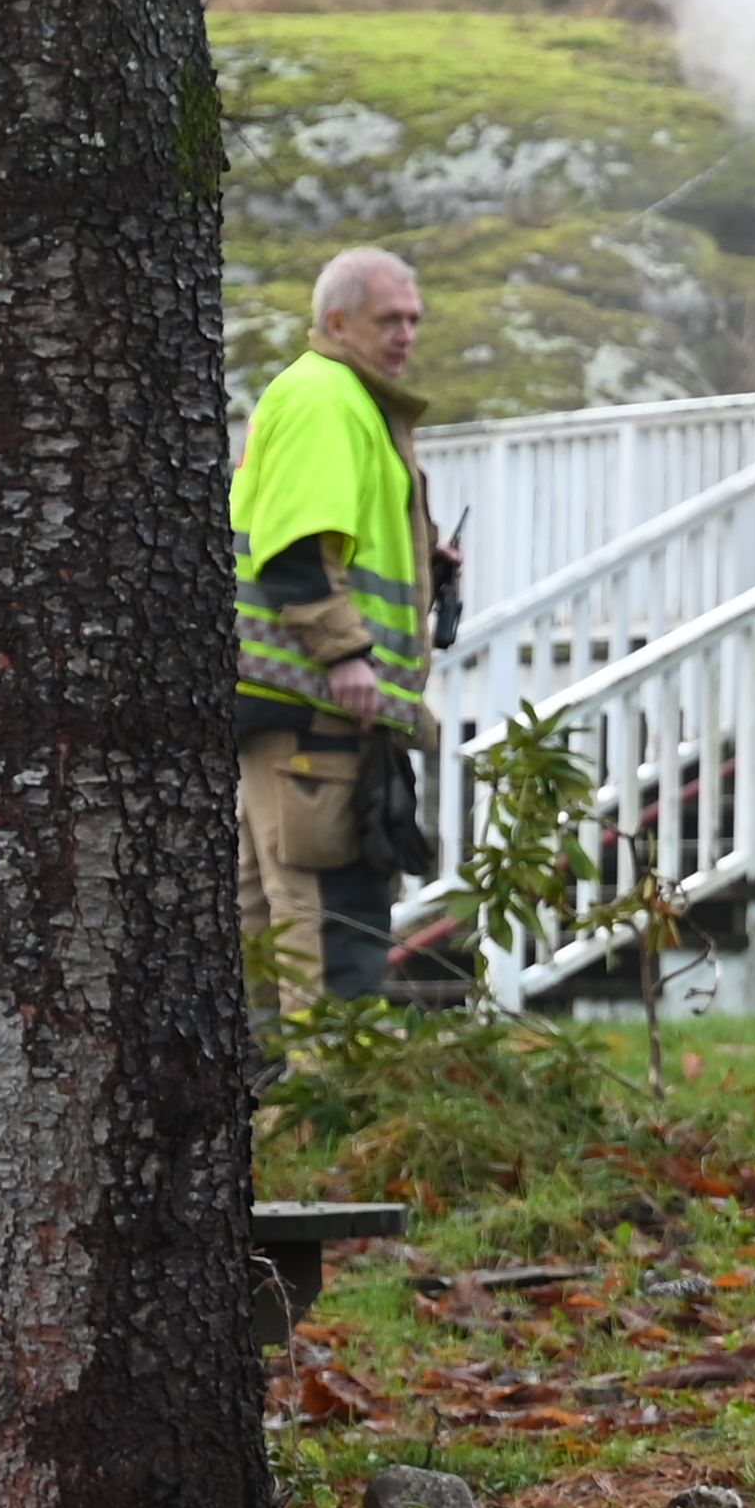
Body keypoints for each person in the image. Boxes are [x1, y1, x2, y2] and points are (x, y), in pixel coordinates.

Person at [230, 246, 459, 1005]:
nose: (406, 335)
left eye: (414, 320)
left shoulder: (343, 400)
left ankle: (266, 1112)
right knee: (330, 934)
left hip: (302, 710)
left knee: (263, 930)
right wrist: (345, 656)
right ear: (335, 321)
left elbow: (330, 534)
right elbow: (297, 543)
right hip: (321, 709)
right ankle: (327, 1111)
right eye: (388, 319)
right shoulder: (328, 397)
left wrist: (428, 556)